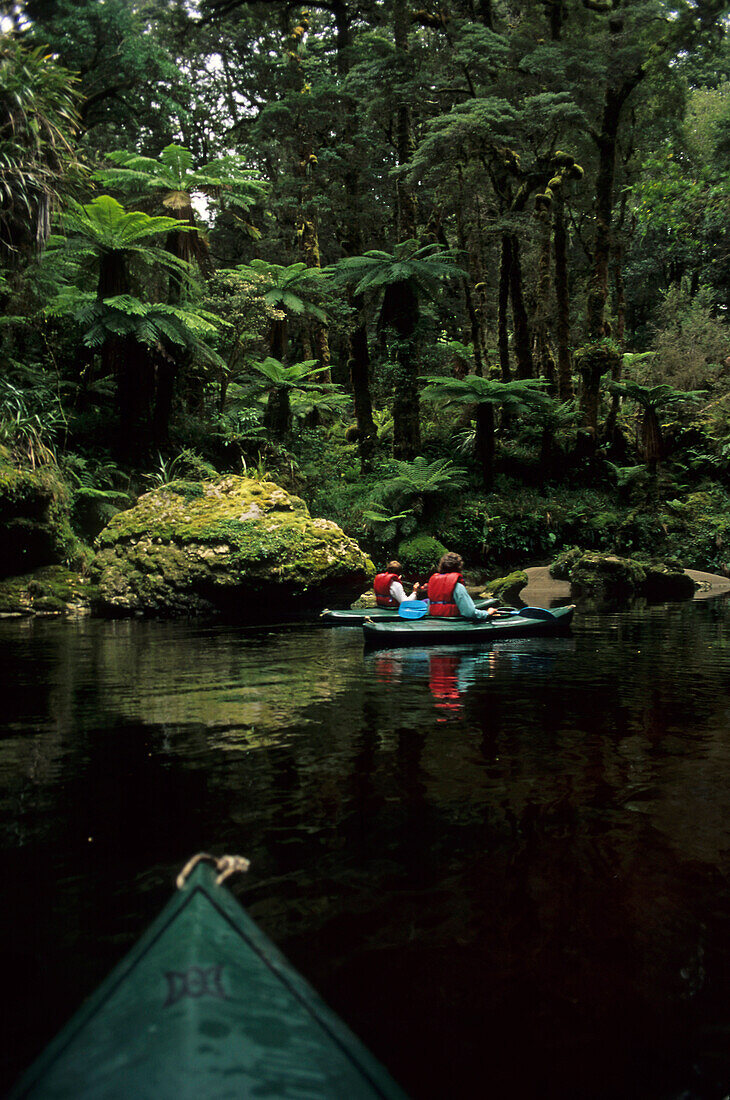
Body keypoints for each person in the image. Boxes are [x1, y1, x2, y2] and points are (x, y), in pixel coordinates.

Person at [426, 552, 497, 621]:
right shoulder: (458, 586)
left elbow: (429, 609)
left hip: (436, 622)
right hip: (453, 623)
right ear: (459, 568)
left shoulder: (433, 586)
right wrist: (487, 613)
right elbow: (470, 612)